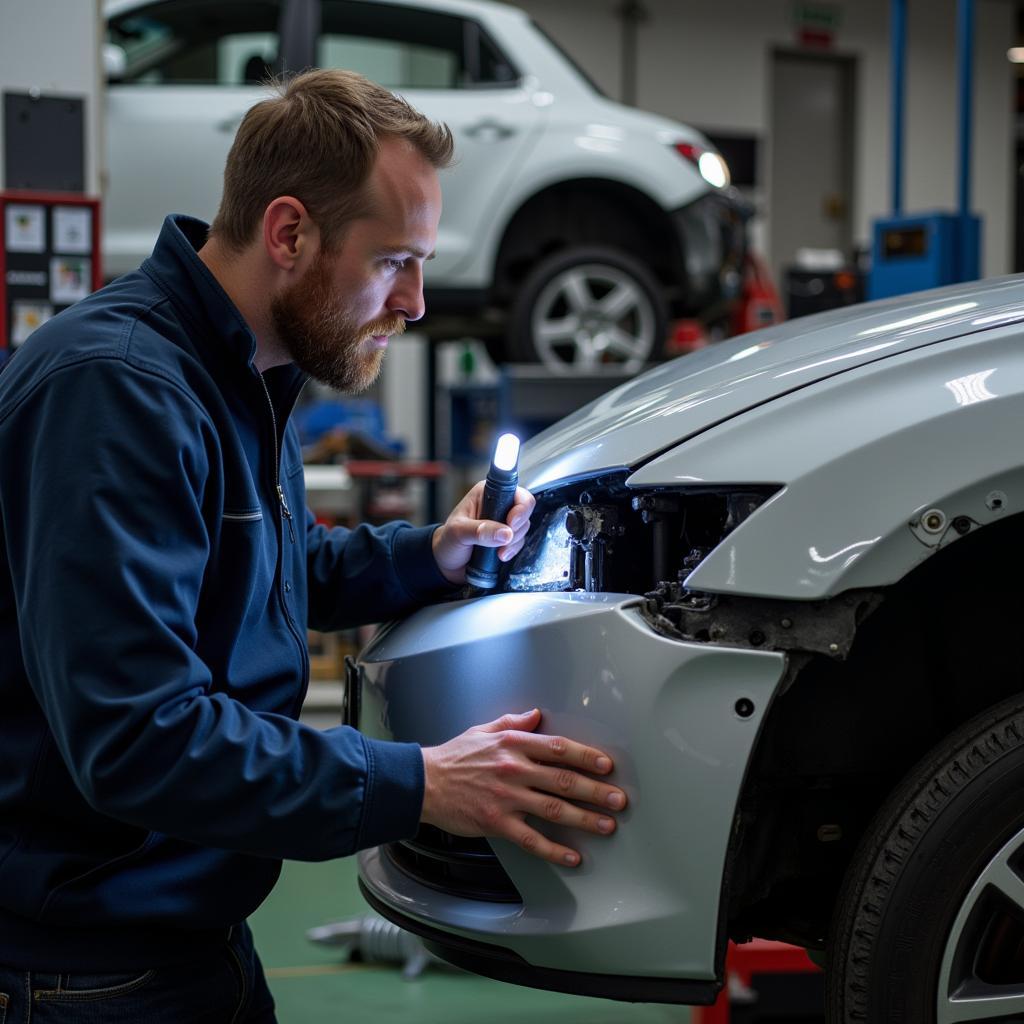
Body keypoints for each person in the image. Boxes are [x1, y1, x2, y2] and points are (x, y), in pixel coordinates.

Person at [0, 70, 627, 1022]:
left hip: (194, 934)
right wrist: (420, 783)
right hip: (86, 972)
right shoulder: (118, 394)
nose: (415, 302)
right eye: (393, 261)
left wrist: (430, 555)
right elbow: (138, 738)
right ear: (289, 232)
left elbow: (255, 574)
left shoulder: (245, 368)